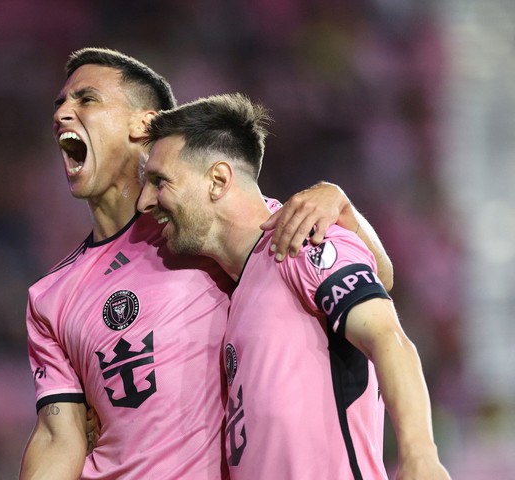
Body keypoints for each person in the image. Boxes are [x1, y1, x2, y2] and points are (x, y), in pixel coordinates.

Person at [20, 48, 393, 479]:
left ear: (143, 123)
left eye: (86, 100)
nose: (63, 112)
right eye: (60, 104)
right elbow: (57, 437)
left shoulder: (209, 231)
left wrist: (339, 202)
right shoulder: (51, 297)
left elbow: (374, 278)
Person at [137, 93, 451, 480]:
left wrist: (420, 457)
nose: (144, 201)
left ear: (218, 180)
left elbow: (388, 338)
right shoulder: (238, 287)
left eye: (159, 182)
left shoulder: (300, 240)